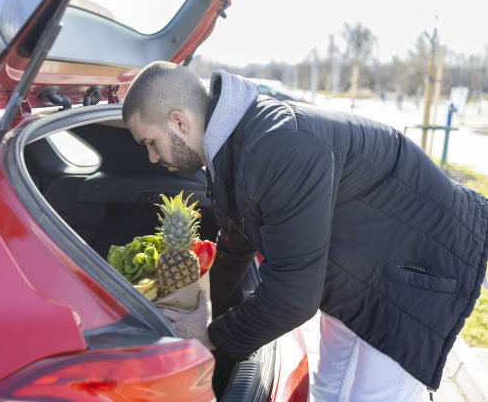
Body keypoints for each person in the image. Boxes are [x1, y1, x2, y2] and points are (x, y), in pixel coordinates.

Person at [121, 60, 488, 401]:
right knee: (331, 392)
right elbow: (236, 246)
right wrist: (205, 309)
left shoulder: (275, 146)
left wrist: (211, 336)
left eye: (150, 142)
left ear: (178, 121)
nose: (152, 157)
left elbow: (293, 299)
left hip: (407, 271)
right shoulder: (235, 144)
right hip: (360, 268)